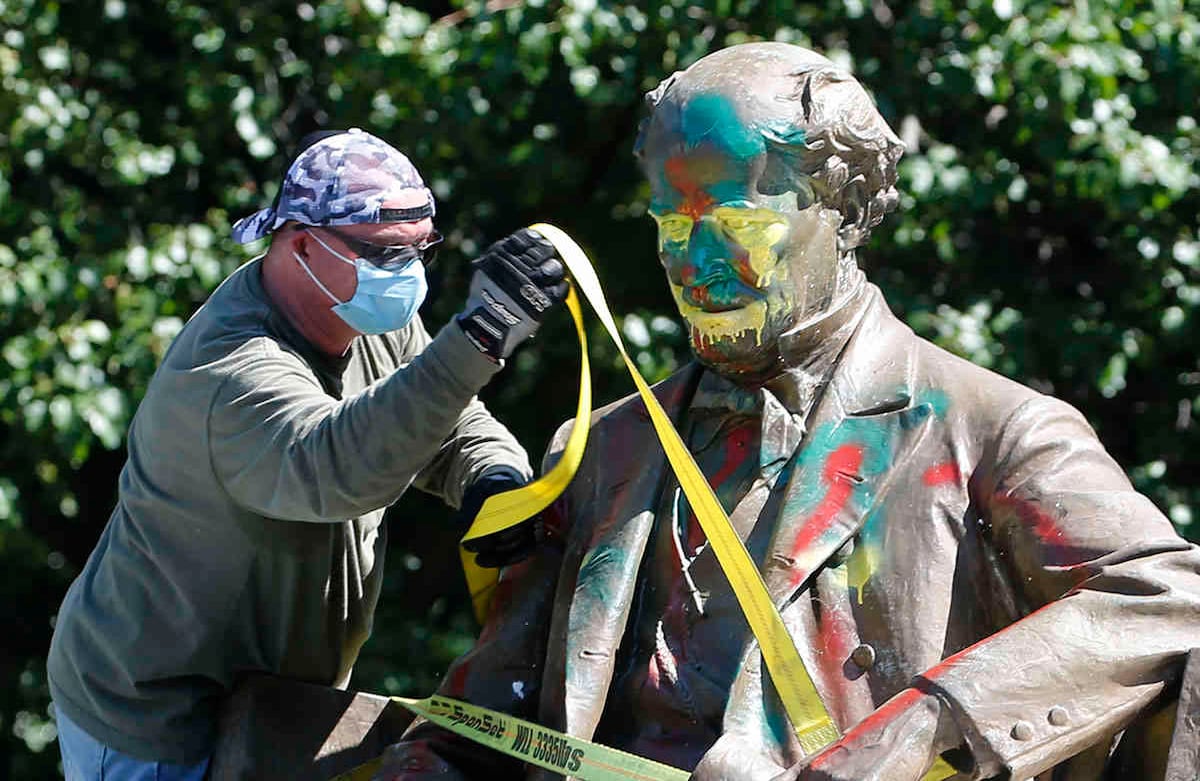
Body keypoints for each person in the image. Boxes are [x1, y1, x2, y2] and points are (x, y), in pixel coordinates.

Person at [375, 44, 1200, 781]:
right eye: (672, 225)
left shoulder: (990, 426)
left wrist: (923, 724)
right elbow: (480, 721)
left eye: (737, 224)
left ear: (839, 209)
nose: (694, 267)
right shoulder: (603, 447)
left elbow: (1168, 594)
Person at [47, 127, 568, 780]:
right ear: (300, 244)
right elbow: (340, 468)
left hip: (273, 697)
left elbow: (442, 416)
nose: (406, 276)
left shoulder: (364, 313)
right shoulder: (229, 371)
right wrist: (480, 337)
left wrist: (490, 475)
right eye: (385, 255)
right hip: (156, 717)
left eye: (418, 253)